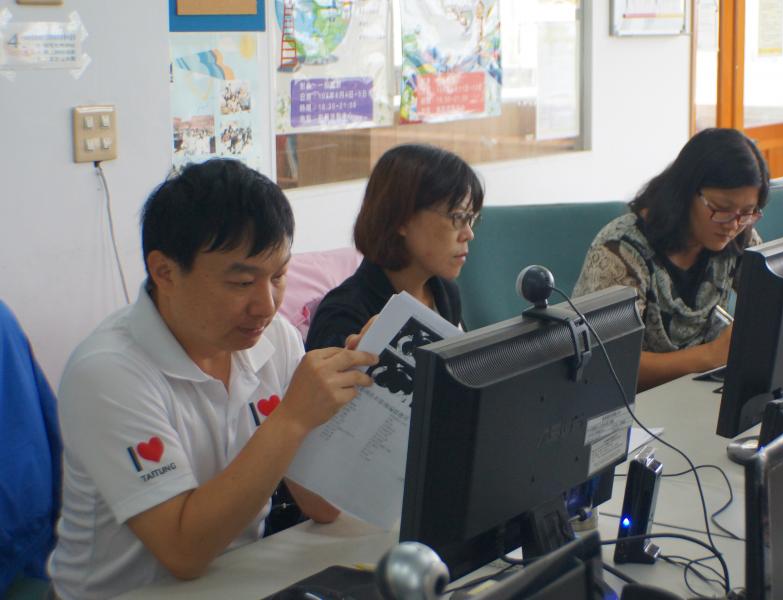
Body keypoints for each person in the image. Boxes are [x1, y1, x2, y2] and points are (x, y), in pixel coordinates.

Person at [47, 159, 377, 600]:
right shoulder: (108, 371)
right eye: (242, 282)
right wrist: (293, 418)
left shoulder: (273, 339)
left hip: (239, 581)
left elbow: (323, 506)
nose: (265, 305)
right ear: (164, 272)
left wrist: (356, 395)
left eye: (279, 276)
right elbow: (183, 553)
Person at [573, 128, 769, 391]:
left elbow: (771, 304)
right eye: (721, 209)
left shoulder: (738, 235)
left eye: (747, 212)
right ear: (687, 192)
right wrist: (709, 356)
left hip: (696, 394)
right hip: (632, 405)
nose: (733, 224)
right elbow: (604, 365)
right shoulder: (619, 252)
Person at [305, 144, 483, 350]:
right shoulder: (343, 315)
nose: (469, 234)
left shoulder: (445, 291)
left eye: (472, 219)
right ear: (402, 218)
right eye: (458, 217)